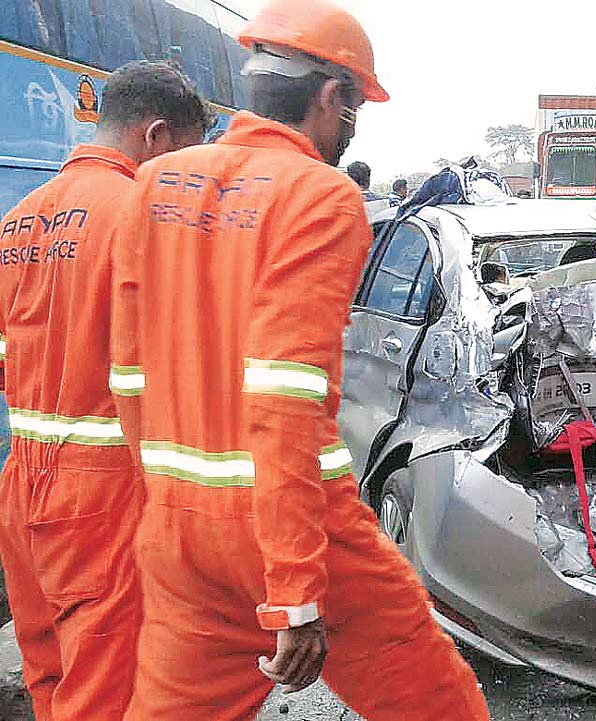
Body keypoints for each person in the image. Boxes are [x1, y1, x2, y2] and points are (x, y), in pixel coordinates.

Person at [110, 1, 490, 718]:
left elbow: (129, 375)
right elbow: (284, 397)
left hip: (179, 533)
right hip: (294, 527)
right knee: (440, 706)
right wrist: (292, 590)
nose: (351, 130)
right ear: (329, 98)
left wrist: (167, 509)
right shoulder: (319, 196)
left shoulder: (155, 185)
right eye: (355, 110)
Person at [0, 61, 210, 721]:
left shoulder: (15, 221)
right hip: (104, 493)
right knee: (101, 693)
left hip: (21, 479)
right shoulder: (144, 218)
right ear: (154, 136)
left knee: (49, 673)